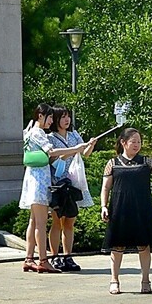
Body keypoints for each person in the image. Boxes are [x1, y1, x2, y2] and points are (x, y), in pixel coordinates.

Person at [100, 127, 152, 294]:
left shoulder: (146, 161)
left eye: (139, 141)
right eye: (133, 141)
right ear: (123, 142)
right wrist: (103, 206)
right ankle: (114, 280)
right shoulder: (112, 163)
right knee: (117, 246)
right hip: (120, 209)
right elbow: (105, 187)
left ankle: (146, 281)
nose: (137, 144)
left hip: (142, 209)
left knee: (143, 245)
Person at [20, 103, 92, 274]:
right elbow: (51, 152)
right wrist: (74, 149)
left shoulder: (30, 130)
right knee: (41, 223)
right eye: (50, 117)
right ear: (40, 116)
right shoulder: (38, 132)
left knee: (34, 221)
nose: (51, 121)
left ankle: (29, 259)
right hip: (40, 181)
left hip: (34, 179)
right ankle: (43, 260)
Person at [47, 106, 97, 271]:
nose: (66, 120)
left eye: (68, 116)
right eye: (62, 117)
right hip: (57, 184)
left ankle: (68, 256)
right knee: (57, 221)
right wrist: (74, 150)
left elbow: (85, 153)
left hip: (73, 183)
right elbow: (54, 158)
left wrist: (90, 145)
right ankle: (55, 256)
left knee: (70, 221)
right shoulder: (50, 138)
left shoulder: (74, 135)